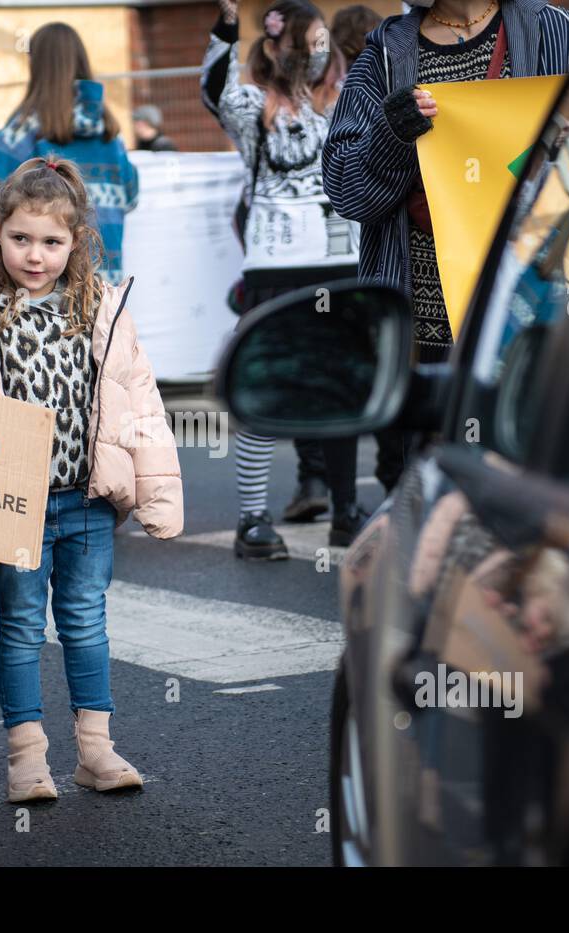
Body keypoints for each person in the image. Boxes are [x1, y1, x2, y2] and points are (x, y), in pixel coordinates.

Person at [0, 156, 182, 802]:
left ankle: (95, 752)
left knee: (86, 622)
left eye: (51, 242)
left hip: (87, 501)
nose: (34, 256)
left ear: (77, 242)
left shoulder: (101, 308)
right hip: (13, 506)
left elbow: (141, 398)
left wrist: (157, 493)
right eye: (20, 240)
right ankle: (26, 759)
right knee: (17, 625)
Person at [323, 0, 569, 492]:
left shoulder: (561, 33)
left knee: (536, 480)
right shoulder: (387, 52)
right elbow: (346, 190)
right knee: (432, 486)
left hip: (535, 311)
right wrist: (392, 135)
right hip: (429, 324)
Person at [201, 0, 367, 558]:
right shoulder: (249, 105)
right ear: (273, 47)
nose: (318, 52)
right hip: (276, 268)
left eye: (324, 41)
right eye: (306, 42)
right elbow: (213, 89)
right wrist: (226, 28)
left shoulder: (346, 99)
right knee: (267, 386)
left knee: (341, 389)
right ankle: (252, 519)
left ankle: (346, 510)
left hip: (342, 265)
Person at [0, 23, 139, 285]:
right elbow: (130, 197)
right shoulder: (111, 133)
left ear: (37, 65)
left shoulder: (26, 128)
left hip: (45, 284)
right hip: (103, 280)